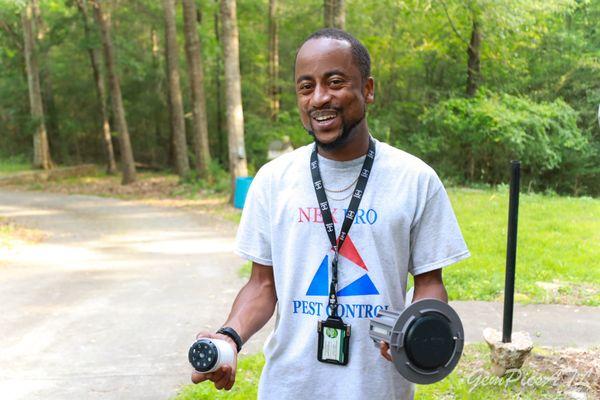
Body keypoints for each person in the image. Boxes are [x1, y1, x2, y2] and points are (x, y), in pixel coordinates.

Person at [191, 28, 470, 400]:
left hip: (377, 388)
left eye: (334, 82)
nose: (319, 98)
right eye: (306, 87)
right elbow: (262, 285)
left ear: (368, 89)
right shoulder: (273, 180)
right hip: (289, 387)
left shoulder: (415, 180)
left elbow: (430, 283)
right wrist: (229, 336)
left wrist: (413, 328)